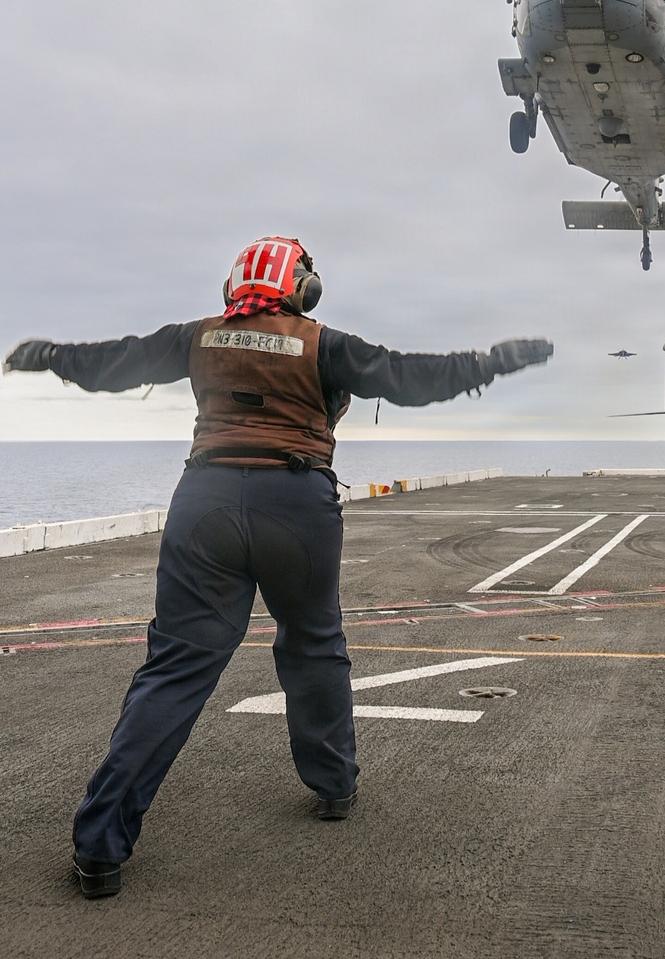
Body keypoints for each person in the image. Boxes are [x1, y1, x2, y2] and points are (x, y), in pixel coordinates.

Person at [3, 235, 553, 899]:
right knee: (314, 647)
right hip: (296, 503)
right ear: (302, 288)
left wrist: (49, 355)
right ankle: (334, 786)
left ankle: (98, 851)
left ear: (235, 286)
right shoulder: (323, 344)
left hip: (205, 502)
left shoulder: (198, 336)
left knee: (175, 669)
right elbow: (412, 378)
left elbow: (114, 361)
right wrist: (491, 362)